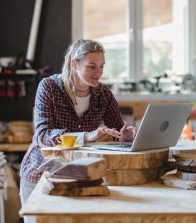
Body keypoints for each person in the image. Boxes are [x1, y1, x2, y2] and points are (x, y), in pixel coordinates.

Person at [19, 39, 136, 208]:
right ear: (74, 64)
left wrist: (125, 136)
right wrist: (87, 136)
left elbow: (118, 129)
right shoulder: (49, 87)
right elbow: (42, 136)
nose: (99, 72)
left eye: (102, 66)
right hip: (42, 174)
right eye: (92, 66)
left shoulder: (103, 93)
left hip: (81, 177)